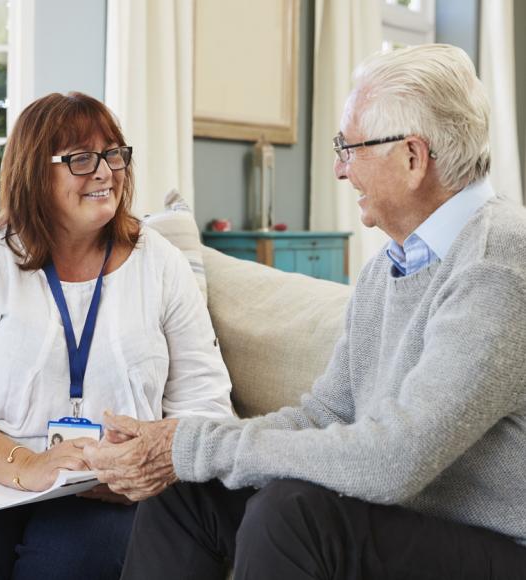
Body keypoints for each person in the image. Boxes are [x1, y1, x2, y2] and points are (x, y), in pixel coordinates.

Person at [84, 44, 526, 579]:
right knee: (188, 493)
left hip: (500, 545)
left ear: (413, 157)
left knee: (291, 515)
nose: (341, 169)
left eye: (350, 147)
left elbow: (394, 460)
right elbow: (325, 415)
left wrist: (193, 444)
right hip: (406, 522)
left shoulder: (498, 264)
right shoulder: (391, 265)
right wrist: (184, 452)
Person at [0, 91, 233, 580]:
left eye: (113, 154)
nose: (105, 172)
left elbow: (206, 403)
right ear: (33, 174)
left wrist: (146, 463)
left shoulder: (160, 262)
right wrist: (29, 465)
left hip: (114, 490)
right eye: (81, 159)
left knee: (71, 564)